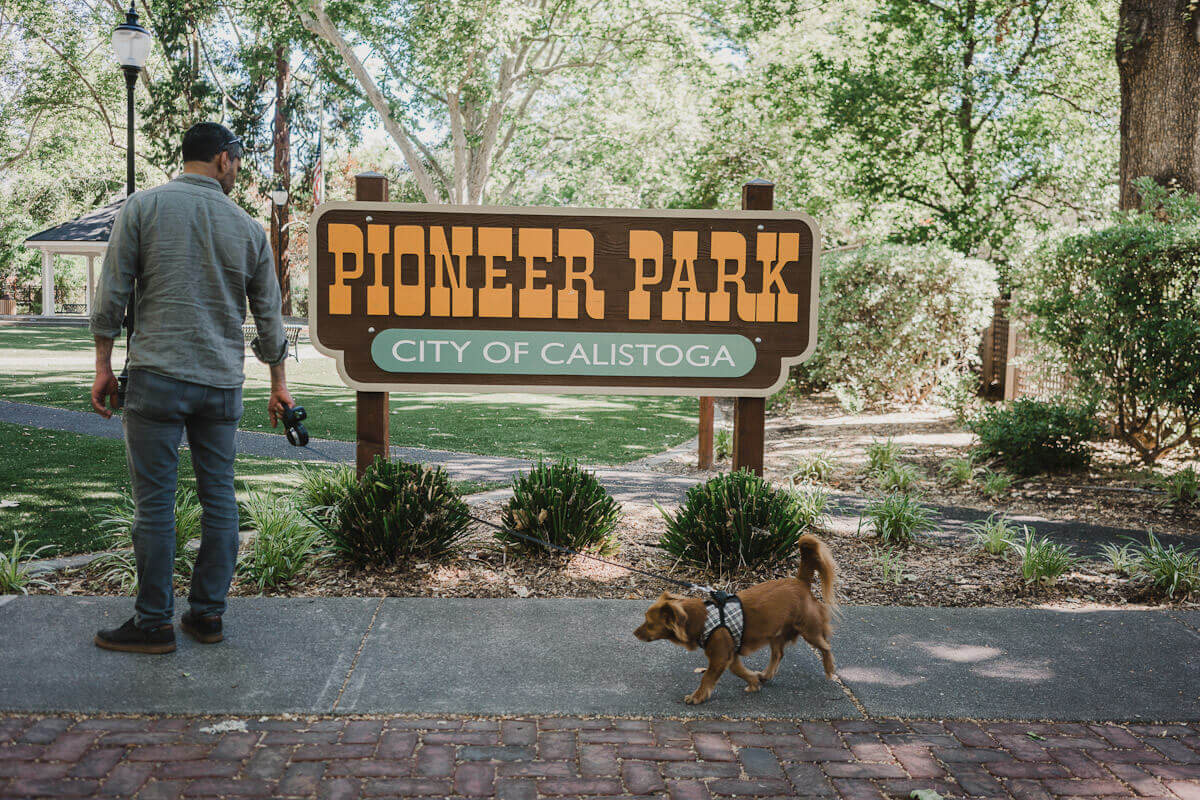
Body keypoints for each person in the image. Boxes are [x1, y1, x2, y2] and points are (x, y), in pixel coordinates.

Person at [89, 121, 293, 653]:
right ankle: (207, 617)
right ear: (223, 159)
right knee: (219, 500)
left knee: (154, 504)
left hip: (157, 376)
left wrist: (103, 365)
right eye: (238, 162)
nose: (238, 171)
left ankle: (153, 623)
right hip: (222, 385)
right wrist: (279, 384)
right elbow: (270, 316)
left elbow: (111, 293)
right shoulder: (248, 228)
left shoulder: (143, 208)